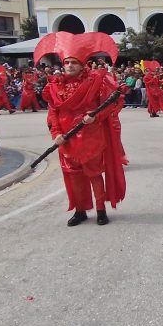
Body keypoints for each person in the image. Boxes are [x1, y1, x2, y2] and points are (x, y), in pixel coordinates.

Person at [37, 32, 126, 226]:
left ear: (82, 65)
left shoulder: (94, 83)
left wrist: (95, 116)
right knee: (74, 177)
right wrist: (57, 134)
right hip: (66, 140)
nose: (70, 65)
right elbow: (54, 114)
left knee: (94, 174)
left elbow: (109, 106)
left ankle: (101, 210)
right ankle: (80, 210)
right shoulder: (54, 87)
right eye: (67, 62)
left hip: (90, 137)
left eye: (74, 63)